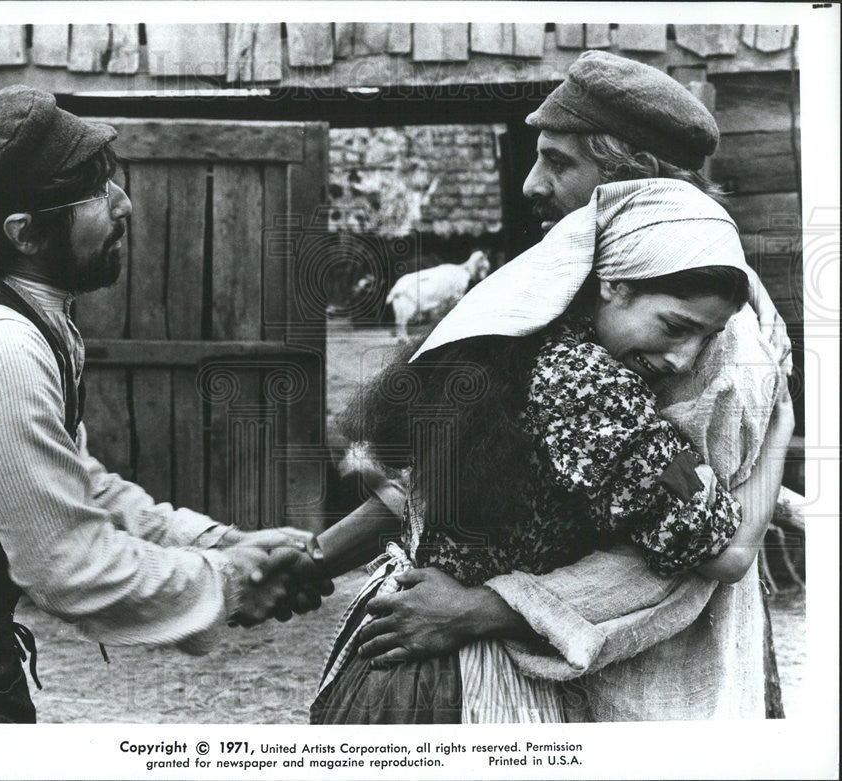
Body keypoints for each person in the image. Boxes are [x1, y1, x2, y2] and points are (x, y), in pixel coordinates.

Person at [316, 51, 794, 722]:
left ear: (638, 185)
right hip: (506, 667)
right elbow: (449, 472)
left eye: (560, 162)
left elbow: (692, 551)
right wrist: (319, 556)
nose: (532, 187)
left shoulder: (708, 338)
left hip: (646, 678)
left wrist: (485, 606)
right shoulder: (562, 303)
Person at [0, 85, 328, 724]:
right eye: (96, 194)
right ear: (24, 233)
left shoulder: (10, 303)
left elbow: (78, 484)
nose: (125, 205)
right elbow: (66, 564)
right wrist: (230, 580)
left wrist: (221, 539)